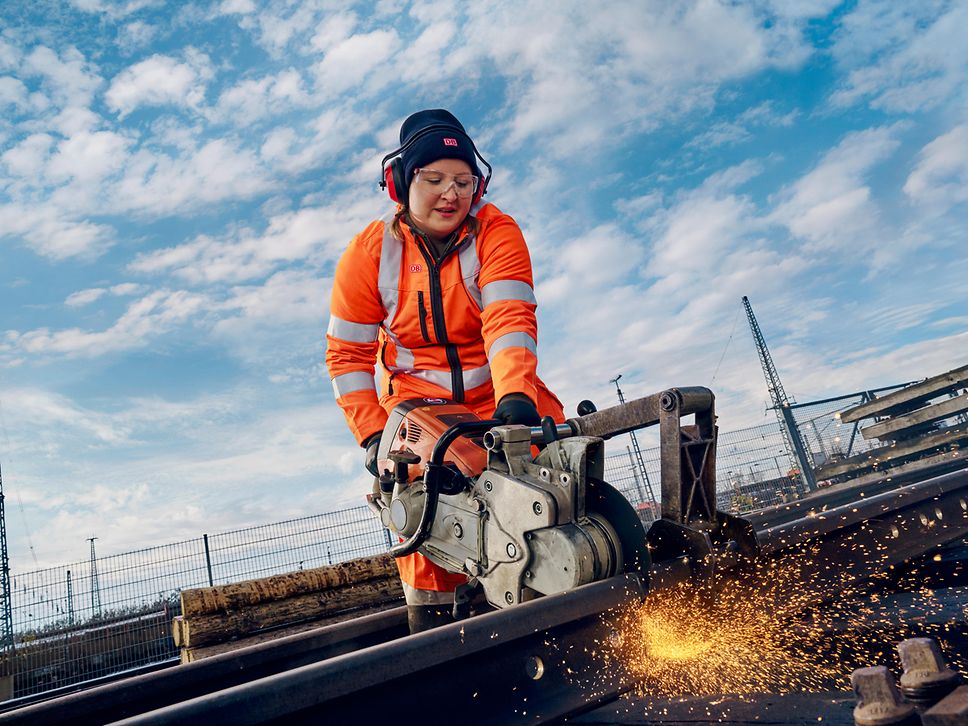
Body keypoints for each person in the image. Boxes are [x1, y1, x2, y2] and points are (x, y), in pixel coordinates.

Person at [325, 109, 563, 633]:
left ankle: (560, 596)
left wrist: (517, 402)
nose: (449, 194)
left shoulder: (497, 233)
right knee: (424, 503)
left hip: (500, 394)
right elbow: (347, 356)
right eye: (433, 180)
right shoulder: (369, 254)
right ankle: (435, 634)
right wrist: (370, 434)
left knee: (553, 469)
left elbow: (509, 319)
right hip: (416, 407)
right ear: (400, 184)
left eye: (462, 181)